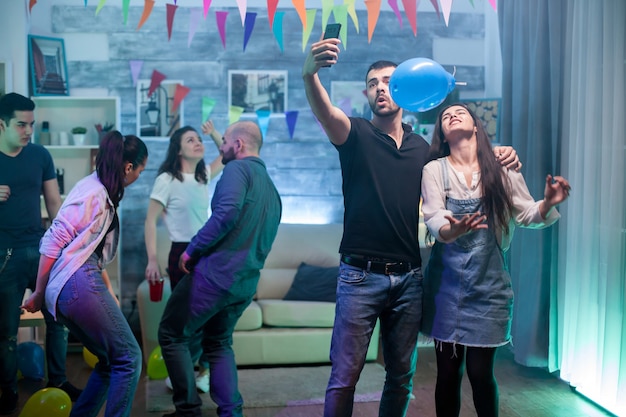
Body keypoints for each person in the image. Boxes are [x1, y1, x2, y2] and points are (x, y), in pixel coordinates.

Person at [302, 37, 522, 417]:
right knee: (345, 376)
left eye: (387, 80)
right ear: (367, 94)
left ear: (405, 88)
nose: (380, 88)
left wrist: (502, 151)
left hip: (409, 279)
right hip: (359, 276)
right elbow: (325, 112)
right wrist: (309, 73)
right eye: (372, 83)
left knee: (401, 376)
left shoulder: (425, 150)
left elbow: (466, 152)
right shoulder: (353, 134)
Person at [420, 103, 571, 417]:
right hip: (446, 289)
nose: (452, 115)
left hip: (488, 290)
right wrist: (453, 228)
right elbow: (433, 217)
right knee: (448, 374)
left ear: (476, 127)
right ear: (443, 135)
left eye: (460, 112)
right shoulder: (434, 169)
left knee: (480, 374)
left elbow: (526, 213)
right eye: (445, 116)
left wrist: (547, 204)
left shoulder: (502, 167)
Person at [158, 120, 282, 417]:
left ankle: (188, 410)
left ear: (238, 145)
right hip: (244, 285)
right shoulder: (272, 190)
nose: (221, 146)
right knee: (219, 343)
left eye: (224, 140)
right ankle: (231, 412)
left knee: (171, 334)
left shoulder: (237, 170)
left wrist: (191, 249)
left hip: (214, 278)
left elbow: (225, 215)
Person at [22, 131, 148, 417]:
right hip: (76, 282)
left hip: (76, 282)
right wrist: (39, 291)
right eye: (141, 169)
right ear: (128, 167)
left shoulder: (98, 188)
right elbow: (53, 240)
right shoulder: (94, 193)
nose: (140, 175)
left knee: (108, 361)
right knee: (129, 357)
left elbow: (89, 251)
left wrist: (109, 293)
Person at [0, 92, 82, 414]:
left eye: (31, 124)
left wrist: (68, 246)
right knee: (5, 332)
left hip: (41, 248)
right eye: (21, 124)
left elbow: (53, 204)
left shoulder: (40, 155)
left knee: (57, 321)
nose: (28, 131)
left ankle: (59, 381)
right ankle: (7, 392)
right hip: (3, 253)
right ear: (2, 124)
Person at [144, 121, 224, 393]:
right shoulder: (166, 179)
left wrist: (212, 132)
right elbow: (150, 221)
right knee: (187, 318)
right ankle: (184, 372)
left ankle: (204, 372)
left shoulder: (203, 174)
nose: (197, 143)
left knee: (209, 316)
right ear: (178, 150)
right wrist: (152, 259)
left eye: (197, 139)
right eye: (190, 140)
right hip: (182, 254)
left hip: (207, 251)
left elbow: (226, 153)